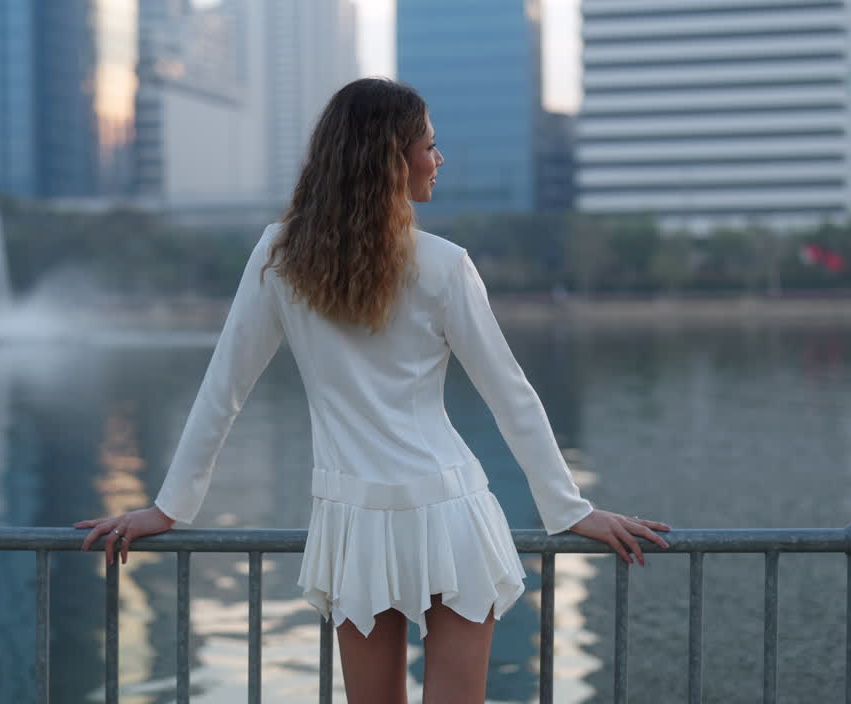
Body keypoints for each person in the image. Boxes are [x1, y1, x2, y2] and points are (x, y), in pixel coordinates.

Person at [75, 77, 671, 703]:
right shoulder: (443, 264)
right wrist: (568, 507)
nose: (439, 161)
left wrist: (170, 507)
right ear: (392, 156)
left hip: (354, 516)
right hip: (450, 508)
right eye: (429, 147)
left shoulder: (279, 256)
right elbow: (509, 395)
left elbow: (224, 389)